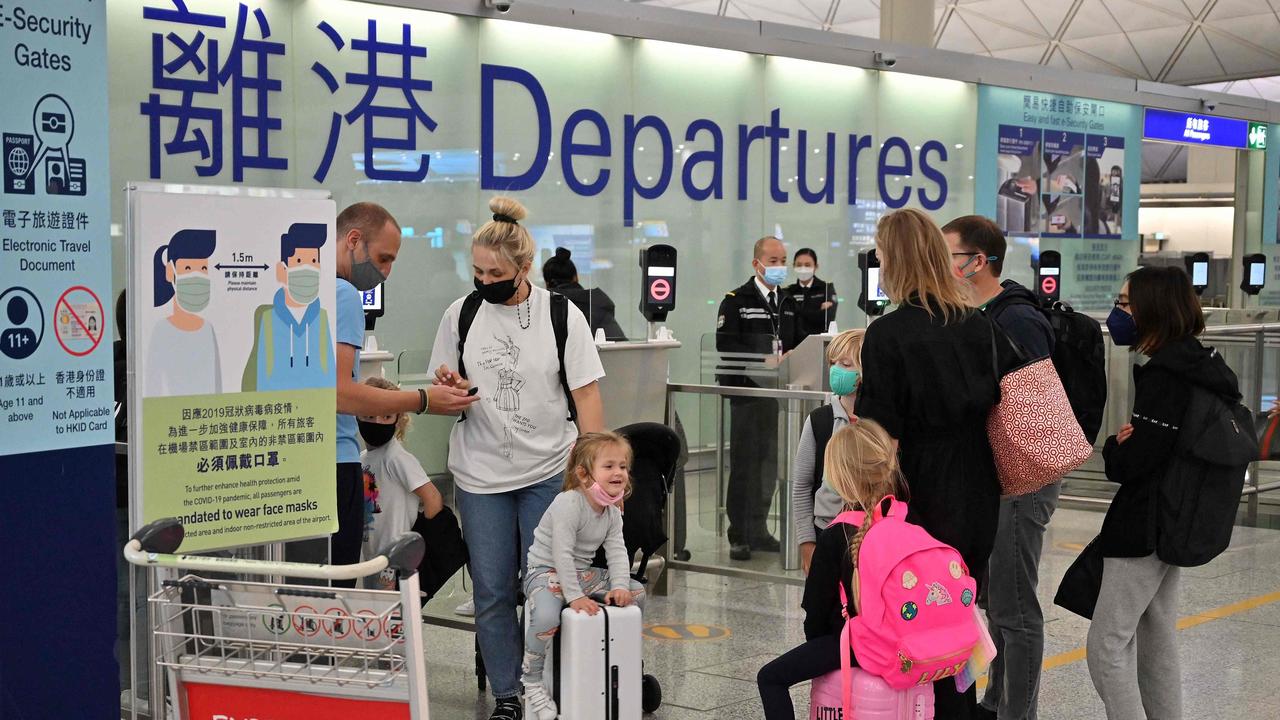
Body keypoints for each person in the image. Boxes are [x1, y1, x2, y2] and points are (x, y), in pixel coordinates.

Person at [428, 196, 605, 720]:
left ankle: (546, 686)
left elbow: (587, 394)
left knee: (550, 587)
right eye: (477, 270)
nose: (484, 281)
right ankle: (507, 693)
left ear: (524, 268)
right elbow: (440, 390)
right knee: (492, 589)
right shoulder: (460, 313)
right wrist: (451, 389)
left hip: (549, 470)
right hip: (481, 475)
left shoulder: (558, 314)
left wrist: (595, 472)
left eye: (495, 272)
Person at [854, 208, 1018, 720]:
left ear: (895, 260)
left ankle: (921, 708)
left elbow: (881, 434)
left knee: (915, 616)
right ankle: (959, 707)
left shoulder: (888, 334)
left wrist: (865, 511)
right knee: (958, 609)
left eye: (881, 254)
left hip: (919, 485)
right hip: (977, 481)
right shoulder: (977, 325)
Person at [1088, 266, 1231, 720]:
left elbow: (1136, 462)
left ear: (1153, 308)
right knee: (1157, 632)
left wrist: (1113, 447)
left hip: (1145, 521)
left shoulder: (1165, 376)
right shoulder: (1201, 364)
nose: (1118, 311)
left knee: (1107, 644)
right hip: (1179, 514)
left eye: (1126, 302)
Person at [942, 215, 1055, 720]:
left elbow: (1029, 410)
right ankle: (996, 700)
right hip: (992, 474)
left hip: (1024, 473)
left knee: (1015, 608)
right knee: (995, 603)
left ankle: (1019, 712)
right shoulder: (974, 313)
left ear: (977, 261)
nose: (944, 266)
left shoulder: (1019, 319)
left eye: (950, 255)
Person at [331, 202, 478, 583]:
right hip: (334, 462)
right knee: (342, 587)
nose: (385, 272)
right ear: (353, 240)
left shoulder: (299, 295)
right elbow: (339, 394)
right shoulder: (343, 295)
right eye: (383, 258)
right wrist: (424, 399)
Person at [756, 420, 903, 719]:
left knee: (769, 677)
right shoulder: (902, 519)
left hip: (851, 644)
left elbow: (816, 616)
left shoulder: (836, 535)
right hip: (900, 642)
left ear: (843, 479)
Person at [520, 432, 646, 720]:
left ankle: (628, 662)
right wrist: (574, 596)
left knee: (637, 594)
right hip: (545, 571)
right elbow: (561, 554)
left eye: (623, 466)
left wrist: (620, 586)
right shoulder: (569, 503)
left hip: (582, 573)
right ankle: (532, 680)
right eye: (609, 466)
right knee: (546, 616)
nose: (618, 473)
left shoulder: (612, 512)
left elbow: (617, 551)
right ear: (584, 473)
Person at [716, 235, 803, 561]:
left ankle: (760, 528)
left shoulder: (789, 302)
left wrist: (791, 358)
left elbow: (799, 342)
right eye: (774, 261)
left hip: (779, 398)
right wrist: (760, 361)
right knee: (745, 466)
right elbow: (726, 346)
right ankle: (739, 534)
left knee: (770, 466)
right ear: (757, 263)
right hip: (748, 395)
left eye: (783, 261)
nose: (780, 267)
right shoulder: (737, 300)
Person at [357, 376, 445, 591]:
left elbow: (432, 497)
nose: (377, 422)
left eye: (386, 416)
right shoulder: (362, 459)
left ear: (398, 418)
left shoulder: (396, 457)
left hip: (395, 557)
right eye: (369, 415)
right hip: (373, 554)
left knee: (393, 614)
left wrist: (420, 544)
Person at [791, 329, 864, 575]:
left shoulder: (882, 425)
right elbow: (802, 485)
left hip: (870, 535)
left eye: (845, 364)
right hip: (826, 532)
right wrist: (807, 543)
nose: (836, 370)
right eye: (833, 363)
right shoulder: (820, 421)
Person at [244, 222, 335, 391]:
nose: (308, 268)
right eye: (299, 261)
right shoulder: (268, 320)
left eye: (314, 261)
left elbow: (330, 378)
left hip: (316, 412)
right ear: (282, 270)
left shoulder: (322, 318)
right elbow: (262, 382)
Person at [145, 229, 222, 397]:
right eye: (187, 267)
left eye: (203, 268)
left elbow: (217, 388)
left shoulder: (208, 329)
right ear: (170, 271)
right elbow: (153, 386)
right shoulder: (162, 330)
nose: (197, 275)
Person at [542, 247, 626, 340]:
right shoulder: (597, 304)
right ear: (576, 277)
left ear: (547, 283)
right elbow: (620, 348)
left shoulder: (542, 308)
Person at [785, 247, 837, 341]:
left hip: (818, 342)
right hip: (793, 344)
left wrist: (798, 311)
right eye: (799, 265)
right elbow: (786, 320)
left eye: (807, 265)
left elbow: (827, 317)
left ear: (816, 266)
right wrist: (817, 311)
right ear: (793, 266)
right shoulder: (788, 291)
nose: (803, 268)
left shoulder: (826, 288)